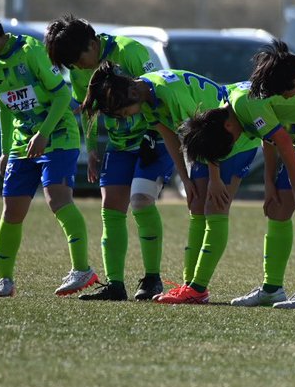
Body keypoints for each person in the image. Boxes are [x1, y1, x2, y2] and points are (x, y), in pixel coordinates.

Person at [182, 43, 295, 310]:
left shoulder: (244, 105)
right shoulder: (230, 111)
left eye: (229, 143)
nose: (235, 142)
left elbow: (283, 142)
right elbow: (270, 140)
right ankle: (272, 289)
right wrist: (270, 184)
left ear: (228, 127)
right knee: (276, 210)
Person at [79, 64, 257, 305]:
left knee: (215, 208)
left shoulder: (169, 93)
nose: (127, 118)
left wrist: (215, 180)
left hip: (233, 140)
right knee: (196, 206)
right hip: (206, 144)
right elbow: (170, 136)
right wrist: (184, 179)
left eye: (123, 113)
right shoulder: (145, 95)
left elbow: (212, 131)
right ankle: (190, 286)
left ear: (132, 94)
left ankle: (198, 288)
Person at [0, 10, 96, 298]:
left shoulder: (32, 52)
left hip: (58, 136)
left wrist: (43, 135)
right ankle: (4, 280)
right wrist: (5, 151)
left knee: (57, 198)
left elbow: (63, 96)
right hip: (23, 142)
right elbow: (5, 108)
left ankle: (83, 270)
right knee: (12, 210)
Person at [44, 15, 171, 301]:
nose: (78, 68)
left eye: (78, 60)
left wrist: (156, 134)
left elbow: (160, 92)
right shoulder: (78, 69)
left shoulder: (132, 52)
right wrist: (90, 150)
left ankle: (152, 279)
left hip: (153, 139)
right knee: (111, 208)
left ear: (92, 43)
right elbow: (88, 109)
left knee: (140, 202)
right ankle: (116, 285)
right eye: (72, 65)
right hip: (119, 144)